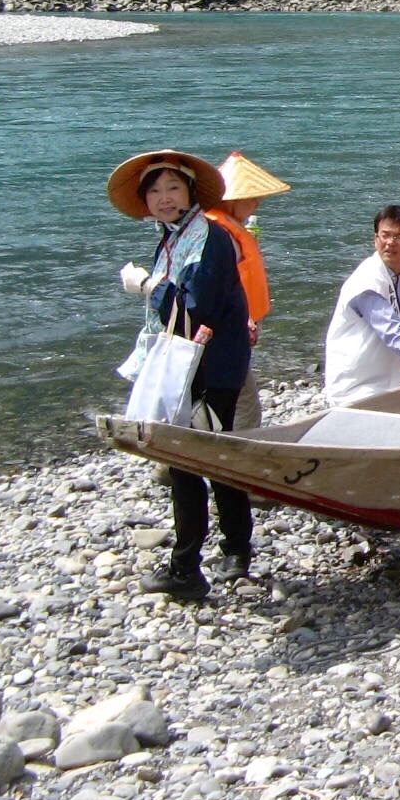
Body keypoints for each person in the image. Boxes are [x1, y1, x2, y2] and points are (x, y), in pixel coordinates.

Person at [109, 150, 254, 598]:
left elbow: (195, 309)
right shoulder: (177, 237)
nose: (164, 197)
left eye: (173, 188)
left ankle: (188, 568)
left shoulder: (206, 238)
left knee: (188, 461)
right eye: (155, 191)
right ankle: (233, 550)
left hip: (207, 367)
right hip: (206, 364)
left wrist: (147, 285)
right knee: (213, 456)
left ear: (191, 192)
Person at [323, 205, 400, 406]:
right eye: (385, 235)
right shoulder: (366, 280)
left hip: (396, 372)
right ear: (376, 239)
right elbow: (392, 333)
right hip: (360, 383)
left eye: (399, 237)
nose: (390, 242)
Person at [206, 152, 291, 430]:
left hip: (228, 330)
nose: (257, 204)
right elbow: (219, 283)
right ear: (233, 200)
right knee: (246, 406)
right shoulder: (222, 234)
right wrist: (244, 319)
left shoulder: (223, 228)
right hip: (227, 332)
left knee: (227, 398)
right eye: (252, 198)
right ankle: (239, 451)